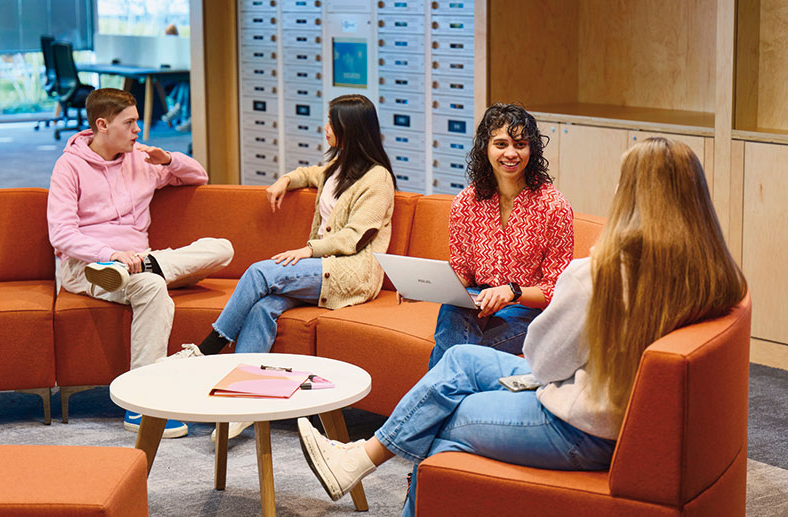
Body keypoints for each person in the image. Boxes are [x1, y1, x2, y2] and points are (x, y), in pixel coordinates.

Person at [296, 137, 748, 516]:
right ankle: (359, 457)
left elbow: (545, 363)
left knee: (446, 416)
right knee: (459, 360)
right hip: (620, 412)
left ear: (628, 196)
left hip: (582, 427)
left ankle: (372, 469)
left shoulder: (600, 274)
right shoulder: (713, 274)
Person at [168, 94, 396, 440]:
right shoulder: (338, 167)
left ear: (350, 129)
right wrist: (286, 181)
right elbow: (310, 174)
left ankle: (207, 349)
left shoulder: (377, 179)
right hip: (322, 268)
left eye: (331, 122)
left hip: (350, 273)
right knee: (263, 307)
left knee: (261, 272)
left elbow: (354, 237)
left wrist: (308, 249)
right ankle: (240, 403)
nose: (325, 127)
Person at [47, 87, 234, 438]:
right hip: (87, 265)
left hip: (140, 262)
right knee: (149, 286)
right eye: (130, 122)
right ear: (102, 125)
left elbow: (198, 176)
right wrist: (111, 254)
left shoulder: (141, 159)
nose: (138, 129)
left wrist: (168, 160)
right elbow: (61, 235)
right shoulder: (69, 167)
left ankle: (143, 269)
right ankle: (141, 405)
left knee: (222, 248)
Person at [425, 103, 573, 369]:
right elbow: (462, 271)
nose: (511, 153)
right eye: (501, 144)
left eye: (520, 144)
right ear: (486, 148)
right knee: (453, 310)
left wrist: (512, 292)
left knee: (456, 355)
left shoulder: (554, 206)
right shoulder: (465, 202)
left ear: (532, 149)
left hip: (528, 311)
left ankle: (429, 405)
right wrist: (424, 287)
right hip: (478, 300)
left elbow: (557, 289)